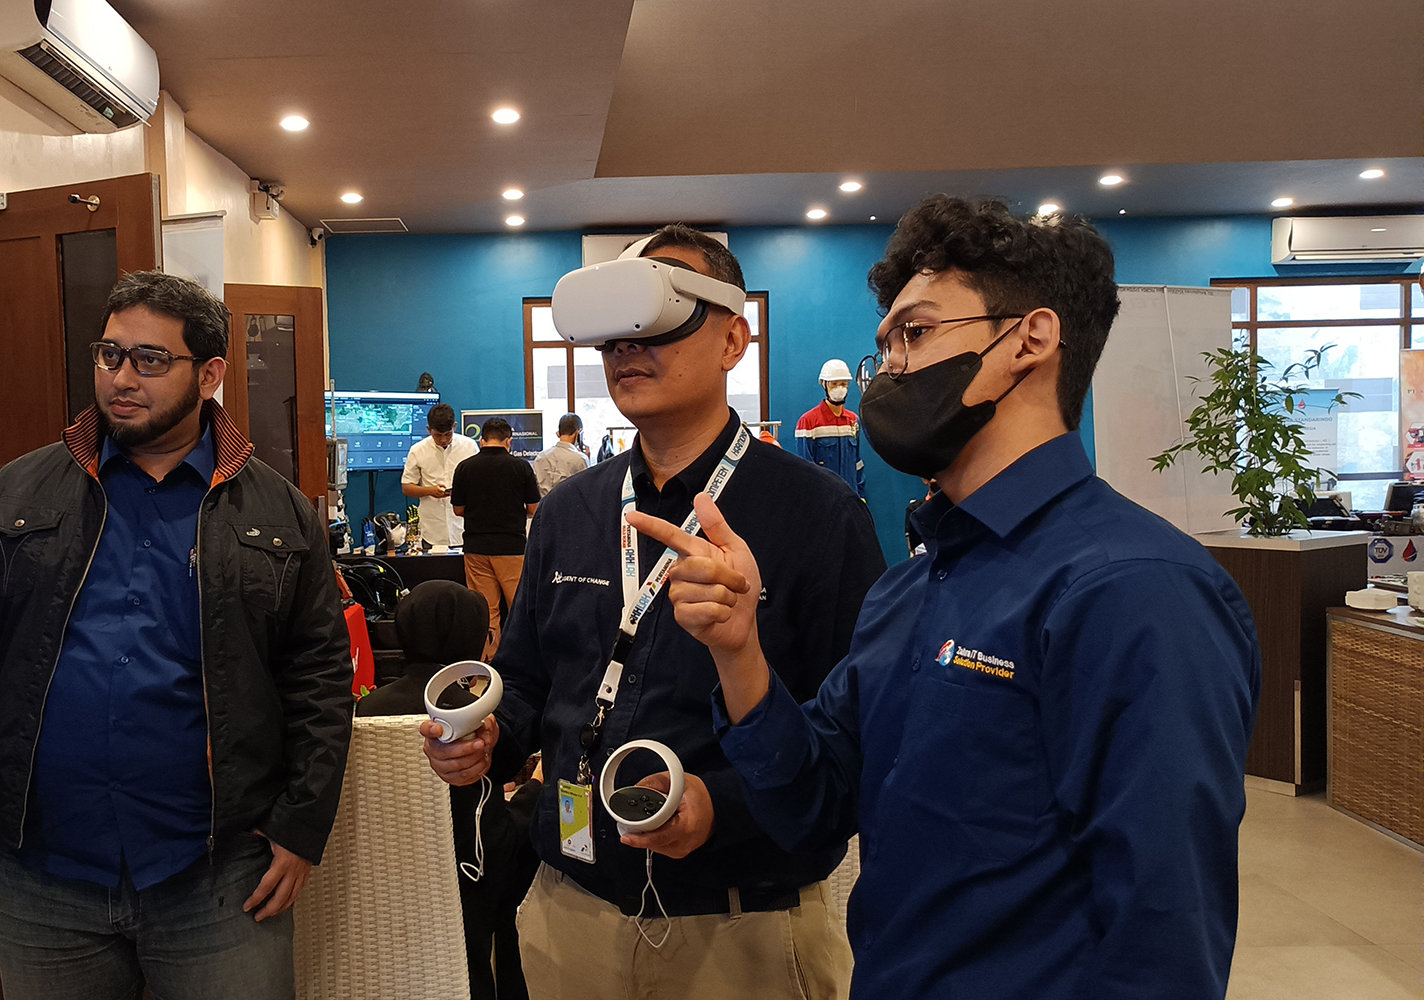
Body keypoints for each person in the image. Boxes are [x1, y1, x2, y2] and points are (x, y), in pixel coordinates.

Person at [636, 196, 1262, 1000]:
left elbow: (1162, 931)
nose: (889, 369)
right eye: (885, 345)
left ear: (1030, 339)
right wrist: (738, 650)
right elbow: (813, 806)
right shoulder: (910, 588)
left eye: (916, 333)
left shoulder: (1134, 587)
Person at [422, 225, 888, 1000]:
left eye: (661, 316)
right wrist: (489, 738)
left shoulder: (820, 516)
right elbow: (530, 681)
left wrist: (719, 808)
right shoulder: (570, 511)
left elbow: (858, 742)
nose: (628, 345)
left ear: (734, 339)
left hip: (740, 929)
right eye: (612, 330)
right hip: (569, 916)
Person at [0, 271, 354, 1000]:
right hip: (44, 873)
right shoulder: (21, 491)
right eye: (109, 354)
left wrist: (301, 826)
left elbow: (319, 681)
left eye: (149, 360)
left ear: (208, 374)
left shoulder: (277, 513)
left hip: (217, 877)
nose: (120, 378)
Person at [357, 581, 541, 1000]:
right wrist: (537, 787)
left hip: (391, 869)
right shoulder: (475, 712)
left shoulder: (370, 706)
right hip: (472, 871)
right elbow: (492, 814)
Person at [451, 417, 542, 660]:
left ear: (482, 440)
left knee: (486, 611)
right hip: (512, 548)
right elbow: (534, 508)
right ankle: (522, 662)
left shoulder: (465, 467)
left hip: (476, 549)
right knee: (519, 609)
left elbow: (458, 510)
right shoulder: (521, 467)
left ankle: (487, 664)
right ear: (508, 441)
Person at [403, 403, 479, 550]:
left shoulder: (469, 447)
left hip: (464, 527)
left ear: (455, 427)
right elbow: (407, 488)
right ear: (428, 429)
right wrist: (430, 491)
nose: (443, 440)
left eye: (448, 434)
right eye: (438, 435)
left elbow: (481, 482)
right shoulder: (417, 450)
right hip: (432, 528)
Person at [795, 359, 865, 497]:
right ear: (824, 384)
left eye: (843, 384)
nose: (840, 388)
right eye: (834, 384)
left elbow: (857, 462)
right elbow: (805, 468)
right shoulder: (808, 422)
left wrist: (860, 496)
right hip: (823, 498)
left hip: (850, 496)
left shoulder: (853, 420)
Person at [533, 413, 590, 497]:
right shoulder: (580, 459)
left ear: (558, 434)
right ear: (578, 433)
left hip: (545, 504)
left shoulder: (540, 457)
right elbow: (586, 490)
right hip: (570, 504)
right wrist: (587, 460)